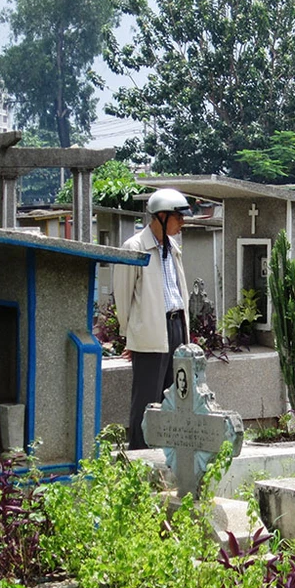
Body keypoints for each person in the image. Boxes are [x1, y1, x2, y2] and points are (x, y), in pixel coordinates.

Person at [112, 188, 191, 449]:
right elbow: (122, 295)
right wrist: (130, 335)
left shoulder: (173, 247)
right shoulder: (134, 247)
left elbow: (179, 290)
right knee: (147, 397)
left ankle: (167, 451)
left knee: (174, 394)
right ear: (161, 216)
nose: (182, 222)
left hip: (176, 325)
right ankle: (139, 452)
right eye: (178, 217)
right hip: (150, 329)